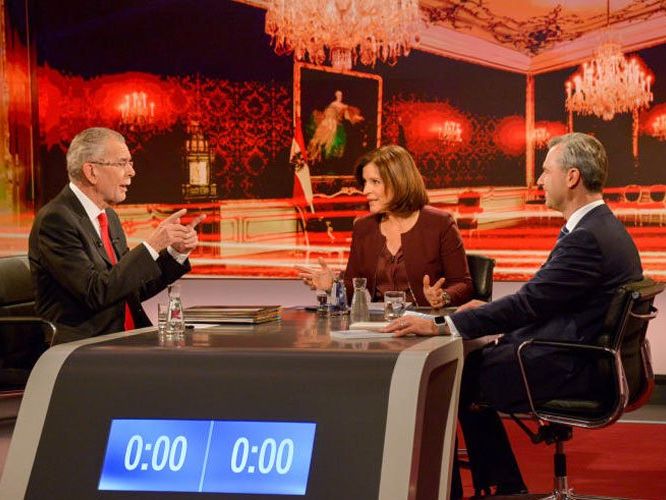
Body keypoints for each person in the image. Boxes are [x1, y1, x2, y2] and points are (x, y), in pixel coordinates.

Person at [383, 133, 643, 496]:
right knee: (468, 368)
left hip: (574, 367)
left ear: (571, 177)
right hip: (586, 359)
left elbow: (528, 304)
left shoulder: (587, 237)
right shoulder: (599, 227)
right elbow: (543, 300)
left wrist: (443, 323)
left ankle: (477, 490)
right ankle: (504, 486)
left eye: (545, 171)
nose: (539, 180)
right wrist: (487, 322)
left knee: (449, 378)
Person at [29, 127, 205, 344]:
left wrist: (175, 253)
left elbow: (130, 287)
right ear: (91, 172)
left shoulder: (108, 216)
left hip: (124, 340)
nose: (132, 172)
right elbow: (96, 292)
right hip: (85, 348)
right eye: (122, 163)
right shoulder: (56, 220)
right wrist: (151, 246)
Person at [297, 144, 473, 308]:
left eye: (375, 182)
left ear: (399, 182)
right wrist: (332, 286)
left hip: (426, 325)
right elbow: (352, 290)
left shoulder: (440, 223)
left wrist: (443, 297)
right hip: (380, 327)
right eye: (365, 182)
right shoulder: (363, 227)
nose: (365, 191)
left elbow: (463, 284)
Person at [307, 90, 364, 164]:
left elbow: (348, 115)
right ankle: (319, 155)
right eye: (338, 95)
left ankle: (330, 158)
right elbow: (328, 113)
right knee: (324, 139)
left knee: (335, 141)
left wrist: (357, 117)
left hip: (336, 125)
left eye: (341, 95)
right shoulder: (333, 104)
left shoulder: (342, 106)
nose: (340, 97)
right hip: (330, 124)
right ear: (336, 96)